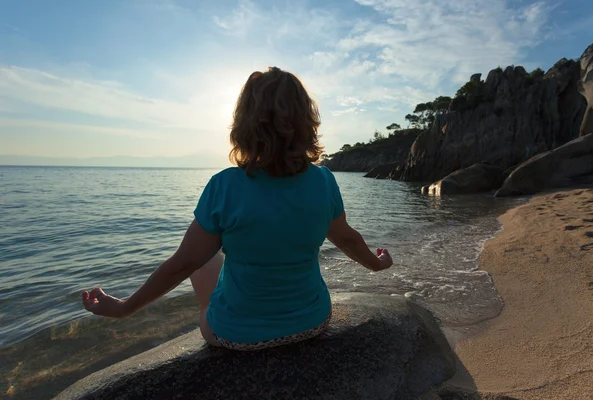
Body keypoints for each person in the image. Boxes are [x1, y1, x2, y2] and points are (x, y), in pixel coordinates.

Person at [82, 67, 393, 351]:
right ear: (306, 123)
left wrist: (124, 308)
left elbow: (181, 265)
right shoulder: (324, 181)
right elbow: (348, 240)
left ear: (244, 124)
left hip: (236, 335)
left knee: (202, 261)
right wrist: (377, 264)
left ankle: (231, 311)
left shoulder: (225, 186)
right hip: (312, 323)